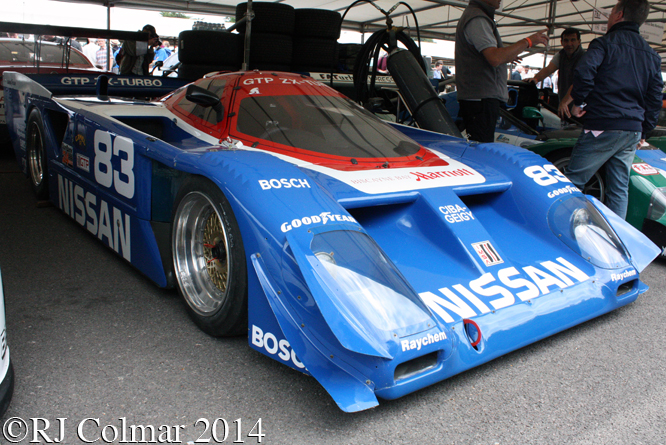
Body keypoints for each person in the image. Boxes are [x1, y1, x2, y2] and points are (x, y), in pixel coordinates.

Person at [563, 0, 662, 220]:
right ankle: (617, 238)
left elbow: (584, 70)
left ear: (619, 14)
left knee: (571, 182)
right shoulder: (652, 55)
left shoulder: (604, 44)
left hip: (603, 125)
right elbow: (655, 98)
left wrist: (579, 102)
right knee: (619, 189)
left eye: (610, 12)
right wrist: (644, 131)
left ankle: (561, 232)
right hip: (632, 131)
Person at [455, 0, 548, 142]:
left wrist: (506, 55)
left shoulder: (477, 16)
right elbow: (495, 57)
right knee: (481, 148)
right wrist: (528, 41)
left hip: (479, 98)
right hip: (480, 99)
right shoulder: (477, 18)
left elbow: (493, 56)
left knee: (479, 145)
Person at [525, 28, 586, 118]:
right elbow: (548, 69)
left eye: (573, 40)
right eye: (566, 40)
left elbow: (579, 82)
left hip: (581, 108)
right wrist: (536, 78)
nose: (569, 44)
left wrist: (565, 101)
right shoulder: (561, 55)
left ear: (579, 41)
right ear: (561, 42)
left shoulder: (585, 57)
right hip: (565, 106)